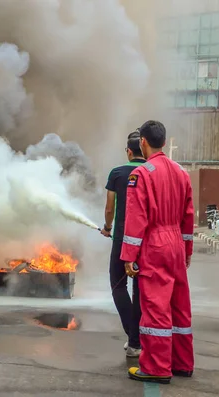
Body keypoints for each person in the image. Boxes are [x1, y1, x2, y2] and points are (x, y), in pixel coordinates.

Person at [121, 120, 195, 384]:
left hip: (155, 245)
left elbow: (136, 219)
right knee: (179, 305)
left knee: (155, 307)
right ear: (164, 141)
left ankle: (156, 367)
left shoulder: (141, 174)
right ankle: (182, 363)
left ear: (143, 142)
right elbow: (188, 217)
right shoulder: (181, 173)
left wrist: (129, 256)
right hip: (175, 242)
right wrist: (186, 250)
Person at [101, 131, 145, 358]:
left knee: (118, 286)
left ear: (128, 151)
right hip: (145, 242)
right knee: (139, 290)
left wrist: (107, 228)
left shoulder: (117, 173)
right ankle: (138, 339)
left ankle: (134, 338)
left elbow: (110, 207)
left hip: (121, 239)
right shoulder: (150, 172)